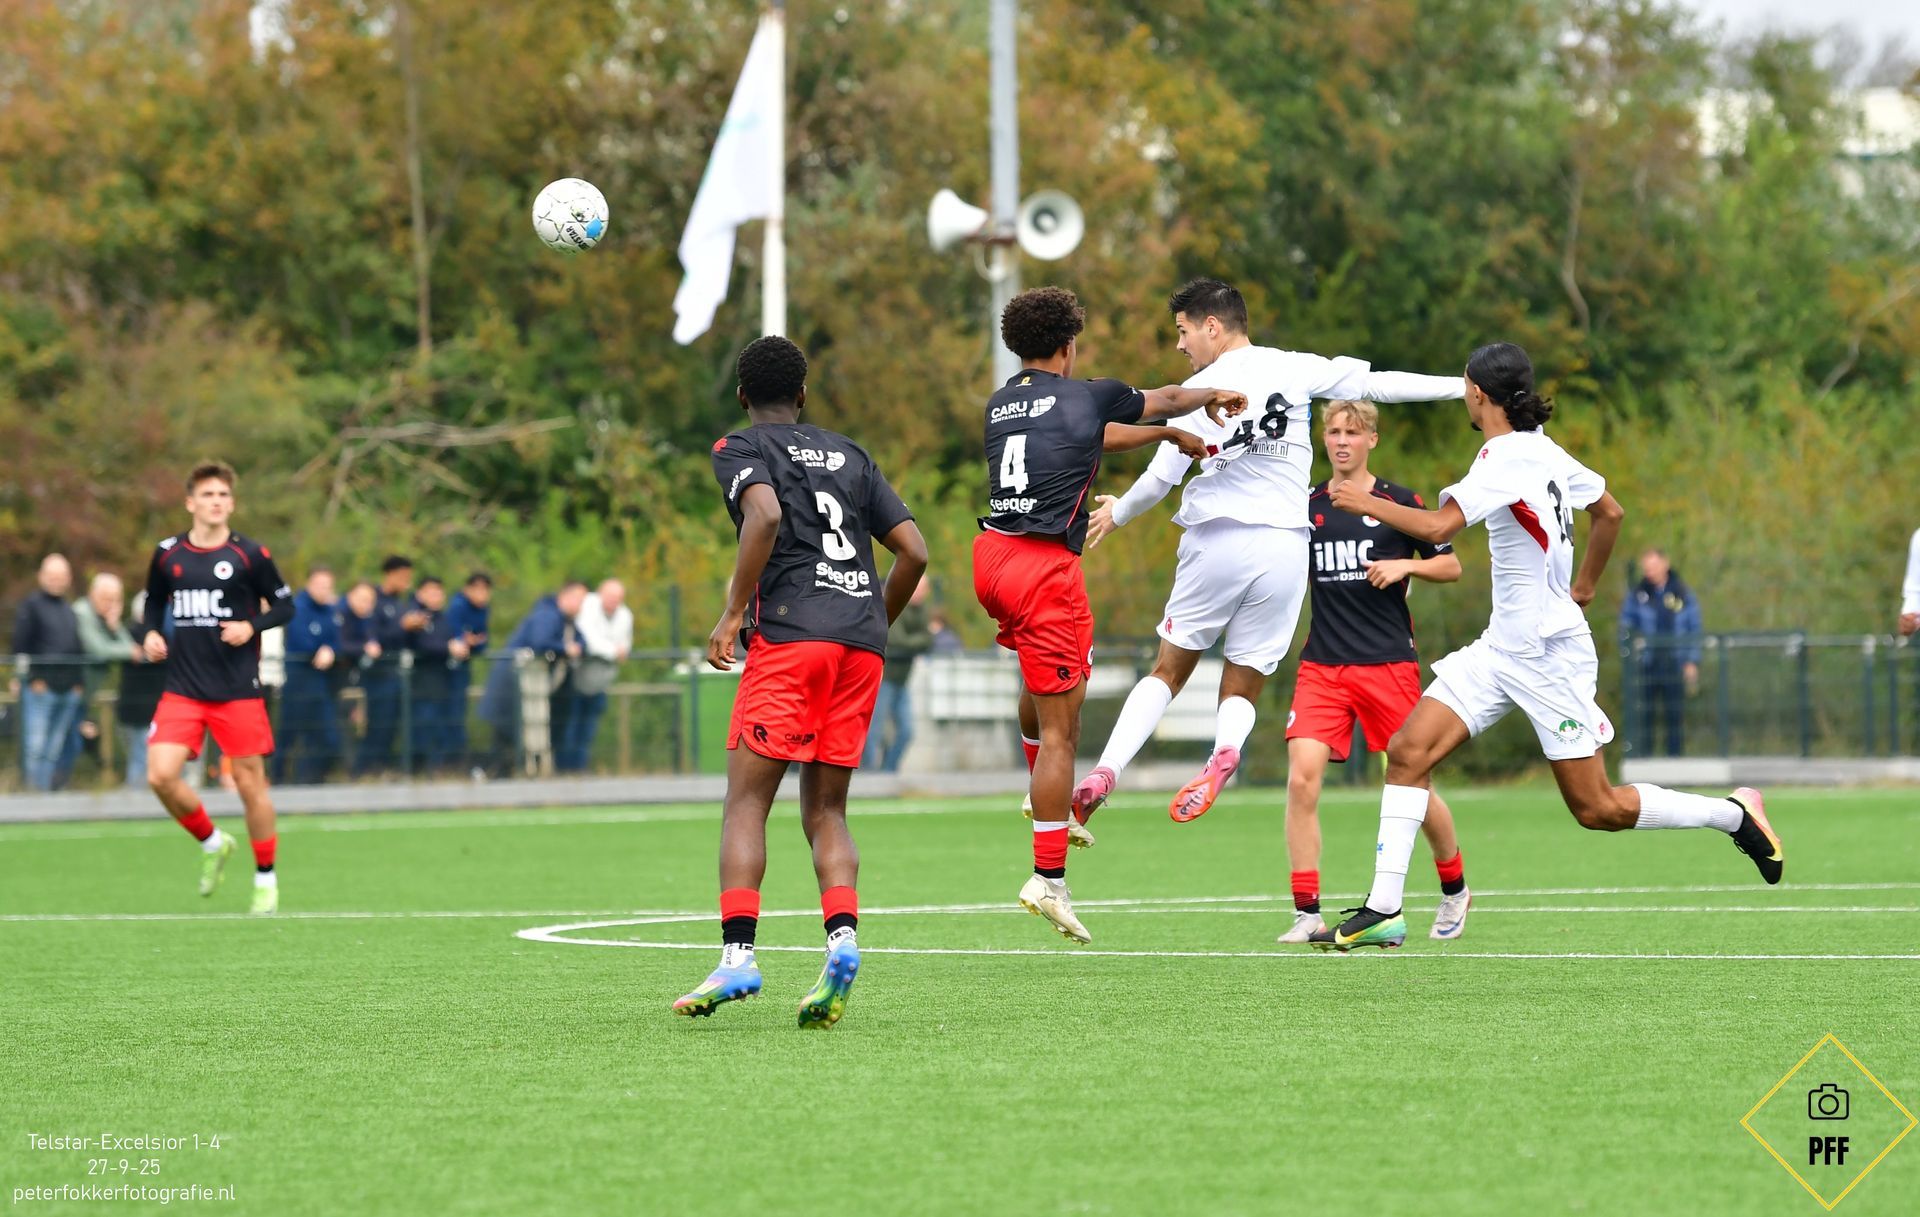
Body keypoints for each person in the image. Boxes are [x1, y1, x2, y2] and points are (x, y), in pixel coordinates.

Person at [1307, 344, 1783, 952]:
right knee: (1407, 752)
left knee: (1597, 808)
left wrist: (1364, 502)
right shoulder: (1541, 449)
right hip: (1502, 649)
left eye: (1465, 386)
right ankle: (1384, 910)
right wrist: (1582, 587)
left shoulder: (1506, 456)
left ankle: (1733, 814)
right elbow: (1610, 513)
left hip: (1549, 655)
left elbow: (1440, 527)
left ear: (1479, 395)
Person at [1076, 277, 1466, 826]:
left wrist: (1117, 514)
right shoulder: (1293, 367)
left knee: (1168, 670)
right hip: (1284, 545)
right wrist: (1463, 387)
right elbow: (1379, 385)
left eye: (1184, 332)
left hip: (1217, 537)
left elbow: (1162, 477)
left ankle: (1106, 770)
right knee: (1244, 677)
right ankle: (1225, 752)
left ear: (1213, 326)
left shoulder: (1199, 391)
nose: (1181, 345)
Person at [972, 285, 1245, 945]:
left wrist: (1170, 435)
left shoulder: (1002, 402)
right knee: (1065, 729)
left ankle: (1038, 788)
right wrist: (1207, 396)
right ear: (1069, 346)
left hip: (993, 558)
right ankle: (1049, 876)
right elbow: (1168, 393)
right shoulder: (1087, 394)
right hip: (1044, 569)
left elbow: (1095, 435)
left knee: (1041, 690)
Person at [672, 335, 927, 1029]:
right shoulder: (851, 453)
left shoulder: (740, 447)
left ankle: (737, 957)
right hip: (860, 645)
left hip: (791, 637)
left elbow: (765, 514)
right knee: (828, 811)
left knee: (746, 802)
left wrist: (732, 613)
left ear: (741, 396)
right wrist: (870, 620)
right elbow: (914, 551)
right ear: (804, 394)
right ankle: (842, 942)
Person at [1276, 401, 1471, 944]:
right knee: (1301, 777)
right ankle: (1307, 913)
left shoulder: (1399, 502)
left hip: (1388, 664)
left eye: (1353, 432)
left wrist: (1406, 564)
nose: (1342, 441)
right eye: (1333, 432)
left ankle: (1455, 888)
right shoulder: (1305, 506)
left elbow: (1451, 564)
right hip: (1322, 665)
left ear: (1372, 440)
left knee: (1415, 786)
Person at [140, 461, 294, 915]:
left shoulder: (250, 554)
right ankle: (212, 841)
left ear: (232, 503)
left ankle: (265, 878)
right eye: (208, 494)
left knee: (250, 786)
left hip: (237, 688)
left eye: (223, 495)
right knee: (160, 776)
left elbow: (285, 606)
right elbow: (153, 602)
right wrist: (150, 634)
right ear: (190, 503)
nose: (216, 502)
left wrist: (252, 626)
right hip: (183, 687)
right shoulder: (167, 553)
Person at [479, 581, 588, 774]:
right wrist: (565, 648)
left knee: (518, 734)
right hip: (512, 682)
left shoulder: (565, 620)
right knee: (507, 735)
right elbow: (541, 641)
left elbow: (581, 641)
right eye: (578, 600)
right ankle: (493, 773)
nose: (581, 605)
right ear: (564, 596)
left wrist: (576, 647)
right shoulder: (547, 615)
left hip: (524, 684)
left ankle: (511, 772)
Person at [1618, 548, 1702, 757]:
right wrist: (1632, 648)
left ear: (1665, 564)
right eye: (1647, 568)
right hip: (1648, 663)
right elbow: (1626, 627)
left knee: (1674, 714)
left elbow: (1694, 628)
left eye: (1654, 567)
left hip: (1675, 662)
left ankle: (1675, 759)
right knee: (1646, 714)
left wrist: (1692, 661)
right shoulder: (1638, 595)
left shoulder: (1682, 592)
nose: (1650, 572)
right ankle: (1646, 759)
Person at [12, 554, 85, 791]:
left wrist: (78, 683)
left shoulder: (68, 608)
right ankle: (33, 794)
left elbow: (77, 647)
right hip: (41, 688)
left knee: (54, 748)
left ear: (68, 578)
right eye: (52, 575)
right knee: (36, 746)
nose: (56, 580)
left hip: (68, 688)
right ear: (41, 576)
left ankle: (44, 795)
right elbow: (20, 645)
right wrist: (31, 678)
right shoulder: (31, 606)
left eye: (61, 576)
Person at [275, 567, 343, 785]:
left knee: (326, 737)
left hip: (321, 685)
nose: (324, 591)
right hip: (297, 684)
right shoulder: (298, 608)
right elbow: (301, 641)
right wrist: (320, 650)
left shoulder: (330, 611)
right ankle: (278, 781)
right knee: (288, 737)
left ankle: (310, 780)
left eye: (328, 587)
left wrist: (329, 649)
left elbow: (337, 640)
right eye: (320, 586)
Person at [73, 572, 142, 785]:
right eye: (106, 598)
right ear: (92, 594)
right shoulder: (82, 613)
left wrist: (115, 625)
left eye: (115, 600)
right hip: (70, 688)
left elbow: (131, 647)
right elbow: (100, 650)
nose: (110, 604)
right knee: (62, 744)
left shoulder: (103, 618)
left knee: (78, 742)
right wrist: (128, 651)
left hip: (87, 694)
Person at [353, 555, 417, 775]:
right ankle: (362, 771)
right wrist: (402, 627)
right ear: (390, 574)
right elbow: (372, 637)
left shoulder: (401, 603)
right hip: (377, 676)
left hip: (396, 675)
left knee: (391, 727)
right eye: (403, 577)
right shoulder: (374, 600)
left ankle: (381, 769)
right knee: (377, 726)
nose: (406, 582)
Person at [560, 578, 632, 772]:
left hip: (600, 681)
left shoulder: (625, 615)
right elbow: (589, 641)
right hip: (575, 678)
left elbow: (625, 646)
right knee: (570, 725)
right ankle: (564, 769)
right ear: (600, 593)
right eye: (610, 596)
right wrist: (612, 650)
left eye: (618, 597)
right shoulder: (588, 606)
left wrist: (612, 650)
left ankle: (579, 768)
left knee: (588, 728)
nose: (613, 601)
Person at [864, 575, 932, 772]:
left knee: (907, 731)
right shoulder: (897, 604)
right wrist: (919, 641)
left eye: (924, 588)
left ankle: (888, 771)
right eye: (919, 587)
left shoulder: (922, 611)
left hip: (902, 680)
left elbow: (929, 641)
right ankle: (869, 773)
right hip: (884, 677)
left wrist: (916, 641)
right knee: (874, 730)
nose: (922, 592)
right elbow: (898, 640)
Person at [406, 576, 470, 773]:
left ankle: (443, 768)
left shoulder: (443, 618)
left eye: (439, 592)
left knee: (444, 728)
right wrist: (448, 648)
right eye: (431, 592)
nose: (436, 596)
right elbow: (423, 645)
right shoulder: (414, 617)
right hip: (422, 685)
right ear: (420, 594)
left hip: (444, 683)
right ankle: (421, 770)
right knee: (424, 729)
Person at [119, 591, 169, 786]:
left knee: (148, 756)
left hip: (155, 707)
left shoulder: (163, 633)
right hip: (140, 709)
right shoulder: (131, 633)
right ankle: (135, 796)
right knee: (141, 756)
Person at [445, 572, 492, 769]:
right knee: (450, 714)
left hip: (463, 668)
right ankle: (450, 760)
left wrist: (473, 642)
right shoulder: (457, 606)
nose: (482, 594)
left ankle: (458, 760)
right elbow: (454, 637)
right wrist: (464, 641)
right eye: (477, 589)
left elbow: (482, 639)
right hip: (448, 669)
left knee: (459, 712)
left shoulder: (483, 609)